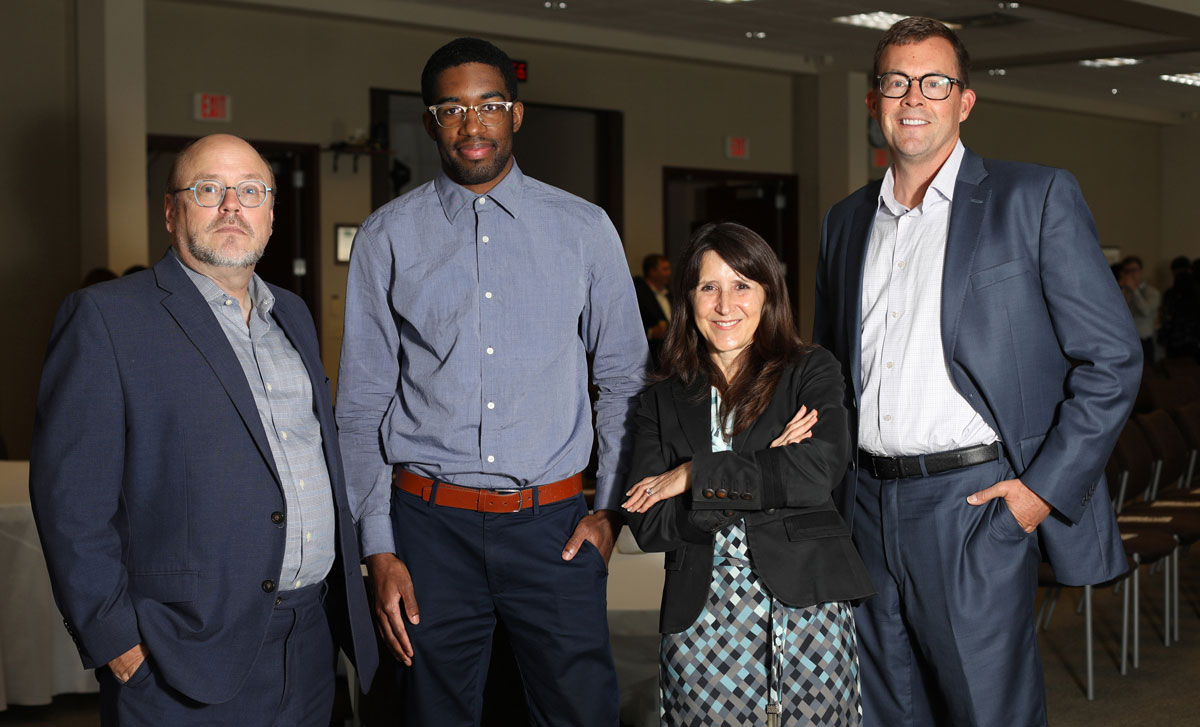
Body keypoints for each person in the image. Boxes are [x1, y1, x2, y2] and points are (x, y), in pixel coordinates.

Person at [812, 17, 1140, 727]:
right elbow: (830, 370)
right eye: (896, 82)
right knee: (884, 711)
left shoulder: (1034, 198)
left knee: (986, 712)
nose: (913, 98)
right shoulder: (844, 223)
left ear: (964, 101)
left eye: (935, 82)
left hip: (974, 506)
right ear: (874, 100)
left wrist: (1037, 495)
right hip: (865, 507)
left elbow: (1112, 360)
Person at [335, 37, 647, 726]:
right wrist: (379, 545)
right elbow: (359, 406)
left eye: (489, 105)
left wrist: (611, 510)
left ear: (517, 113)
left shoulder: (584, 229)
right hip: (427, 532)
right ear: (430, 122)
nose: (472, 125)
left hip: (556, 528)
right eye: (452, 109)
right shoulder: (387, 237)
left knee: (579, 713)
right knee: (431, 714)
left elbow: (624, 380)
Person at [29, 134, 378, 725]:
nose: (231, 207)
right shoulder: (106, 318)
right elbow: (71, 503)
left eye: (249, 191)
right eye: (208, 190)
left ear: (270, 213)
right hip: (180, 655)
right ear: (171, 211)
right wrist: (117, 642)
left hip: (311, 641)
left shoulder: (291, 313)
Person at [623, 222, 874, 726]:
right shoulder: (660, 399)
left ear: (767, 293)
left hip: (809, 614)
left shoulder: (810, 369)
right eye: (707, 287)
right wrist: (767, 469)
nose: (724, 304)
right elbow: (649, 524)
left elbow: (819, 470)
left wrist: (697, 474)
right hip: (701, 623)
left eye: (742, 285)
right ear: (687, 298)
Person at [1118, 255, 1161, 363]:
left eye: (1134, 270)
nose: (1131, 274)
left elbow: (1146, 311)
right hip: (1125, 342)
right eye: (1127, 271)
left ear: (1141, 271)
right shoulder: (1124, 291)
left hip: (1144, 341)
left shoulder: (1152, 292)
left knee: (1147, 377)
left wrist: (1134, 289)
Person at [633, 253, 672, 369]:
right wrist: (650, 332)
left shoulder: (670, 294)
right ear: (652, 271)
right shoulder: (638, 294)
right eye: (665, 269)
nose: (669, 273)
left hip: (668, 358)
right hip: (648, 359)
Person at [1159, 255, 1200, 361]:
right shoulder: (1172, 294)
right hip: (1188, 341)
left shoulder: (1171, 294)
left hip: (1178, 340)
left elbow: (1167, 316)